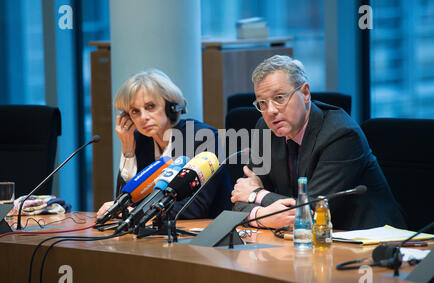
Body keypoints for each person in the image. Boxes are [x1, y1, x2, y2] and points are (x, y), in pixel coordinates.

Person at [231, 55, 407, 231]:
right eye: (262, 103)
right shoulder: (265, 129)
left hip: (370, 242)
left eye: (279, 98)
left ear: (305, 93)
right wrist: (263, 217)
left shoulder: (341, 134)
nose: (270, 111)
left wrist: (257, 194)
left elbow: (313, 211)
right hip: (304, 240)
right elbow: (240, 200)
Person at [97, 69, 232, 220]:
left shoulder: (202, 138)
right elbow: (126, 201)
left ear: (171, 107)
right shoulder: (141, 141)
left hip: (206, 233)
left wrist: (136, 213)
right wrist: (128, 152)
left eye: (150, 107)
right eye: (135, 111)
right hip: (157, 234)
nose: (143, 118)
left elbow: (194, 208)